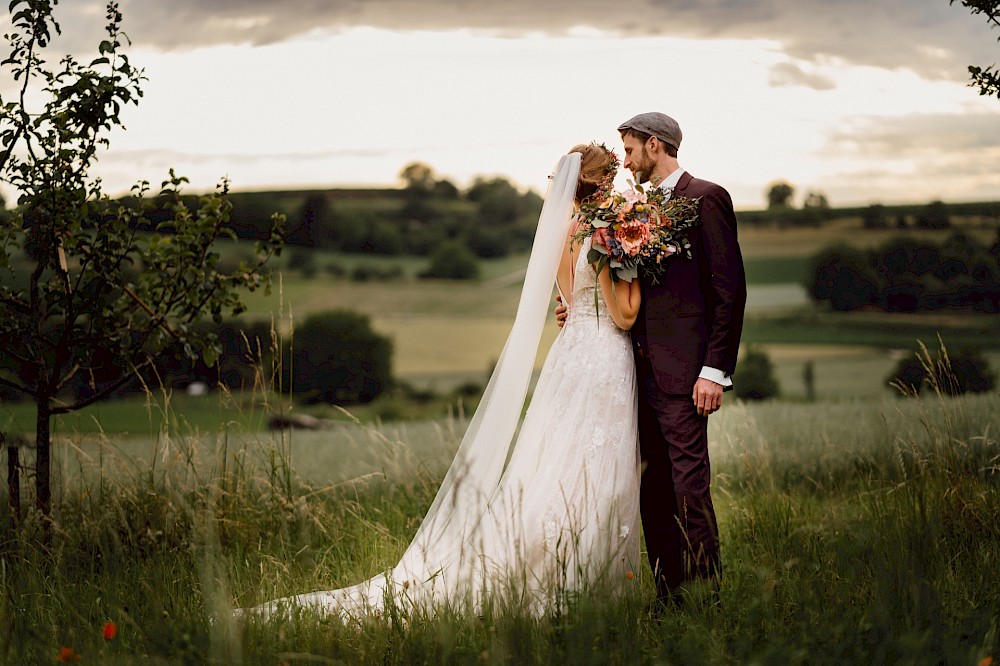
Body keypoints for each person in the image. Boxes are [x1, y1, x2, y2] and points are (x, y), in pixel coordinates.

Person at [241, 144, 643, 621]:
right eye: (614, 177)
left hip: (568, 358)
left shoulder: (558, 234)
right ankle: (584, 579)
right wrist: (640, 279)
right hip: (602, 356)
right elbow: (625, 313)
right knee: (595, 469)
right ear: (603, 184)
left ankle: (557, 565)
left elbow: (567, 303)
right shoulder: (603, 236)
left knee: (555, 463)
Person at [557, 112, 747, 606]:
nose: (625, 158)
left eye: (630, 147)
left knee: (689, 482)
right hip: (630, 368)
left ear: (655, 145)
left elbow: (729, 293)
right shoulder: (634, 205)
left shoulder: (706, 197)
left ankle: (707, 592)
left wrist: (714, 371)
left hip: (686, 373)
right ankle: (668, 594)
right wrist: (577, 305)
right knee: (650, 486)